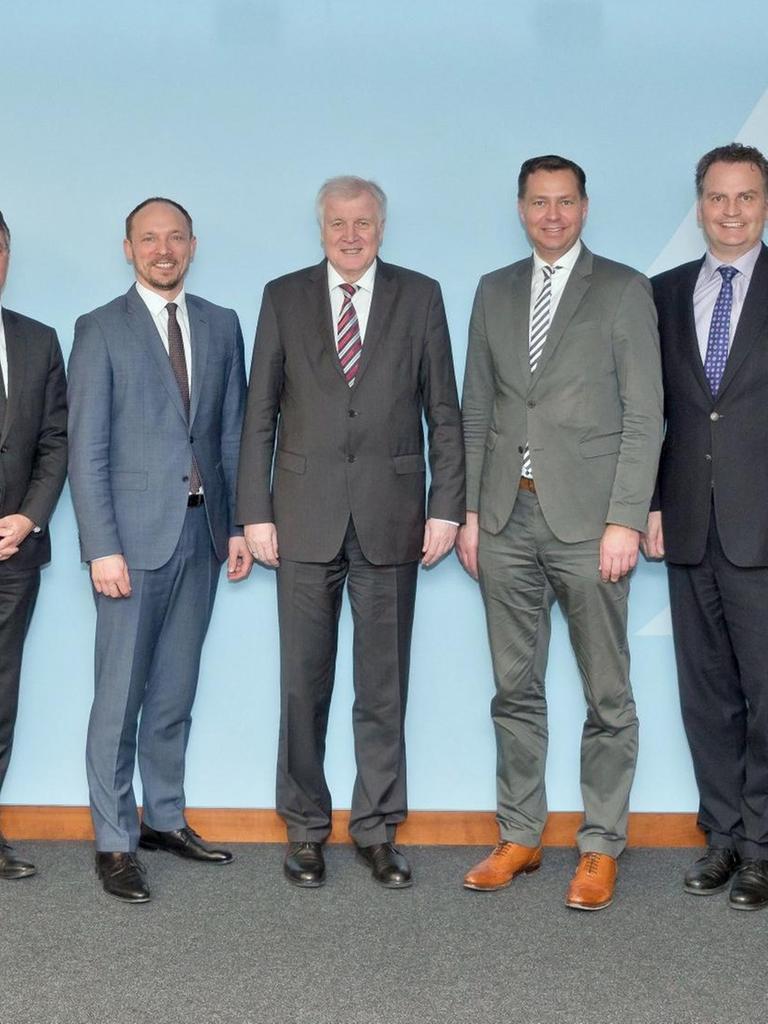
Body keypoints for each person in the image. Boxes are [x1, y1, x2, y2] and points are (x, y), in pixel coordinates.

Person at [236, 176, 464, 889]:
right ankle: (305, 829)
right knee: (303, 685)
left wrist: (447, 507)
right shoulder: (284, 296)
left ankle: (376, 830)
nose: (351, 233)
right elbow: (259, 416)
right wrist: (256, 512)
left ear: (381, 226)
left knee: (383, 687)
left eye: (363, 221)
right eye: (338, 221)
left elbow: (445, 414)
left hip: (394, 518)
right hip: (300, 520)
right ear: (321, 226)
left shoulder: (421, 296)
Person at [458, 155, 663, 910]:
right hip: (506, 521)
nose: (552, 215)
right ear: (520, 208)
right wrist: (475, 515)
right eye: (539, 202)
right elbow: (477, 407)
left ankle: (601, 845)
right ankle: (520, 835)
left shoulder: (621, 289)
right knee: (515, 690)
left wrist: (624, 520)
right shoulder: (493, 290)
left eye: (565, 202)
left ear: (585, 207)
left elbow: (646, 415)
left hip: (590, 527)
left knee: (607, 694)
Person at [68, 198, 252, 903]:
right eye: (149, 238)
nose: (163, 249)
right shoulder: (99, 330)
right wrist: (101, 548)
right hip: (130, 547)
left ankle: (163, 818)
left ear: (193, 245)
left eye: (175, 237)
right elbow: (87, 451)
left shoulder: (221, 324)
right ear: (128, 249)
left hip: (203, 539)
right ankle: (114, 840)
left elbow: (230, 434)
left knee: (175, 691)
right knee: (118, 700)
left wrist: (235, 527)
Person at [644, 143, 768, 911]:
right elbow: (650, 413)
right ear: (699, 207)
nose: (731, 212)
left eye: (746, 198)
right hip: (687, 526)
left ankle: (761, 845)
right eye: (718, 199)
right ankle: (721, 836)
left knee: (765, 694)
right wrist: (651, 503)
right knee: (708, 696)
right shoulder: (661, 294)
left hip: (762, 529)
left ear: (764, 204)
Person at [0, 211, 67, 880]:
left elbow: (55, 441)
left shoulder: (38, 340)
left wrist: (28, 518)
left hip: (14, 553)